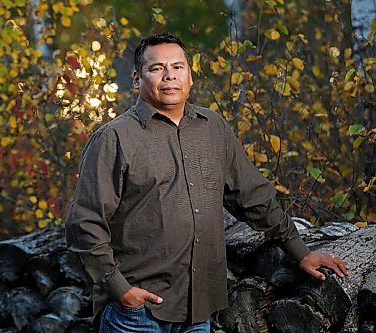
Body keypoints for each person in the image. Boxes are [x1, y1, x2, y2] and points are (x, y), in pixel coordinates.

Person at [65, 32, 348, 333]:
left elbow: (253, 197)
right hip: (136, 314)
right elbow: (85, 223)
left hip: (198, 310)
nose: (169, 76)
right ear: (137, 78)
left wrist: (301, 252)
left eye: (178, 66)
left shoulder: (213, 128)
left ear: (190, 75)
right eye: (157, 68)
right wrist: (119, 288)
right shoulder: (114, 138)